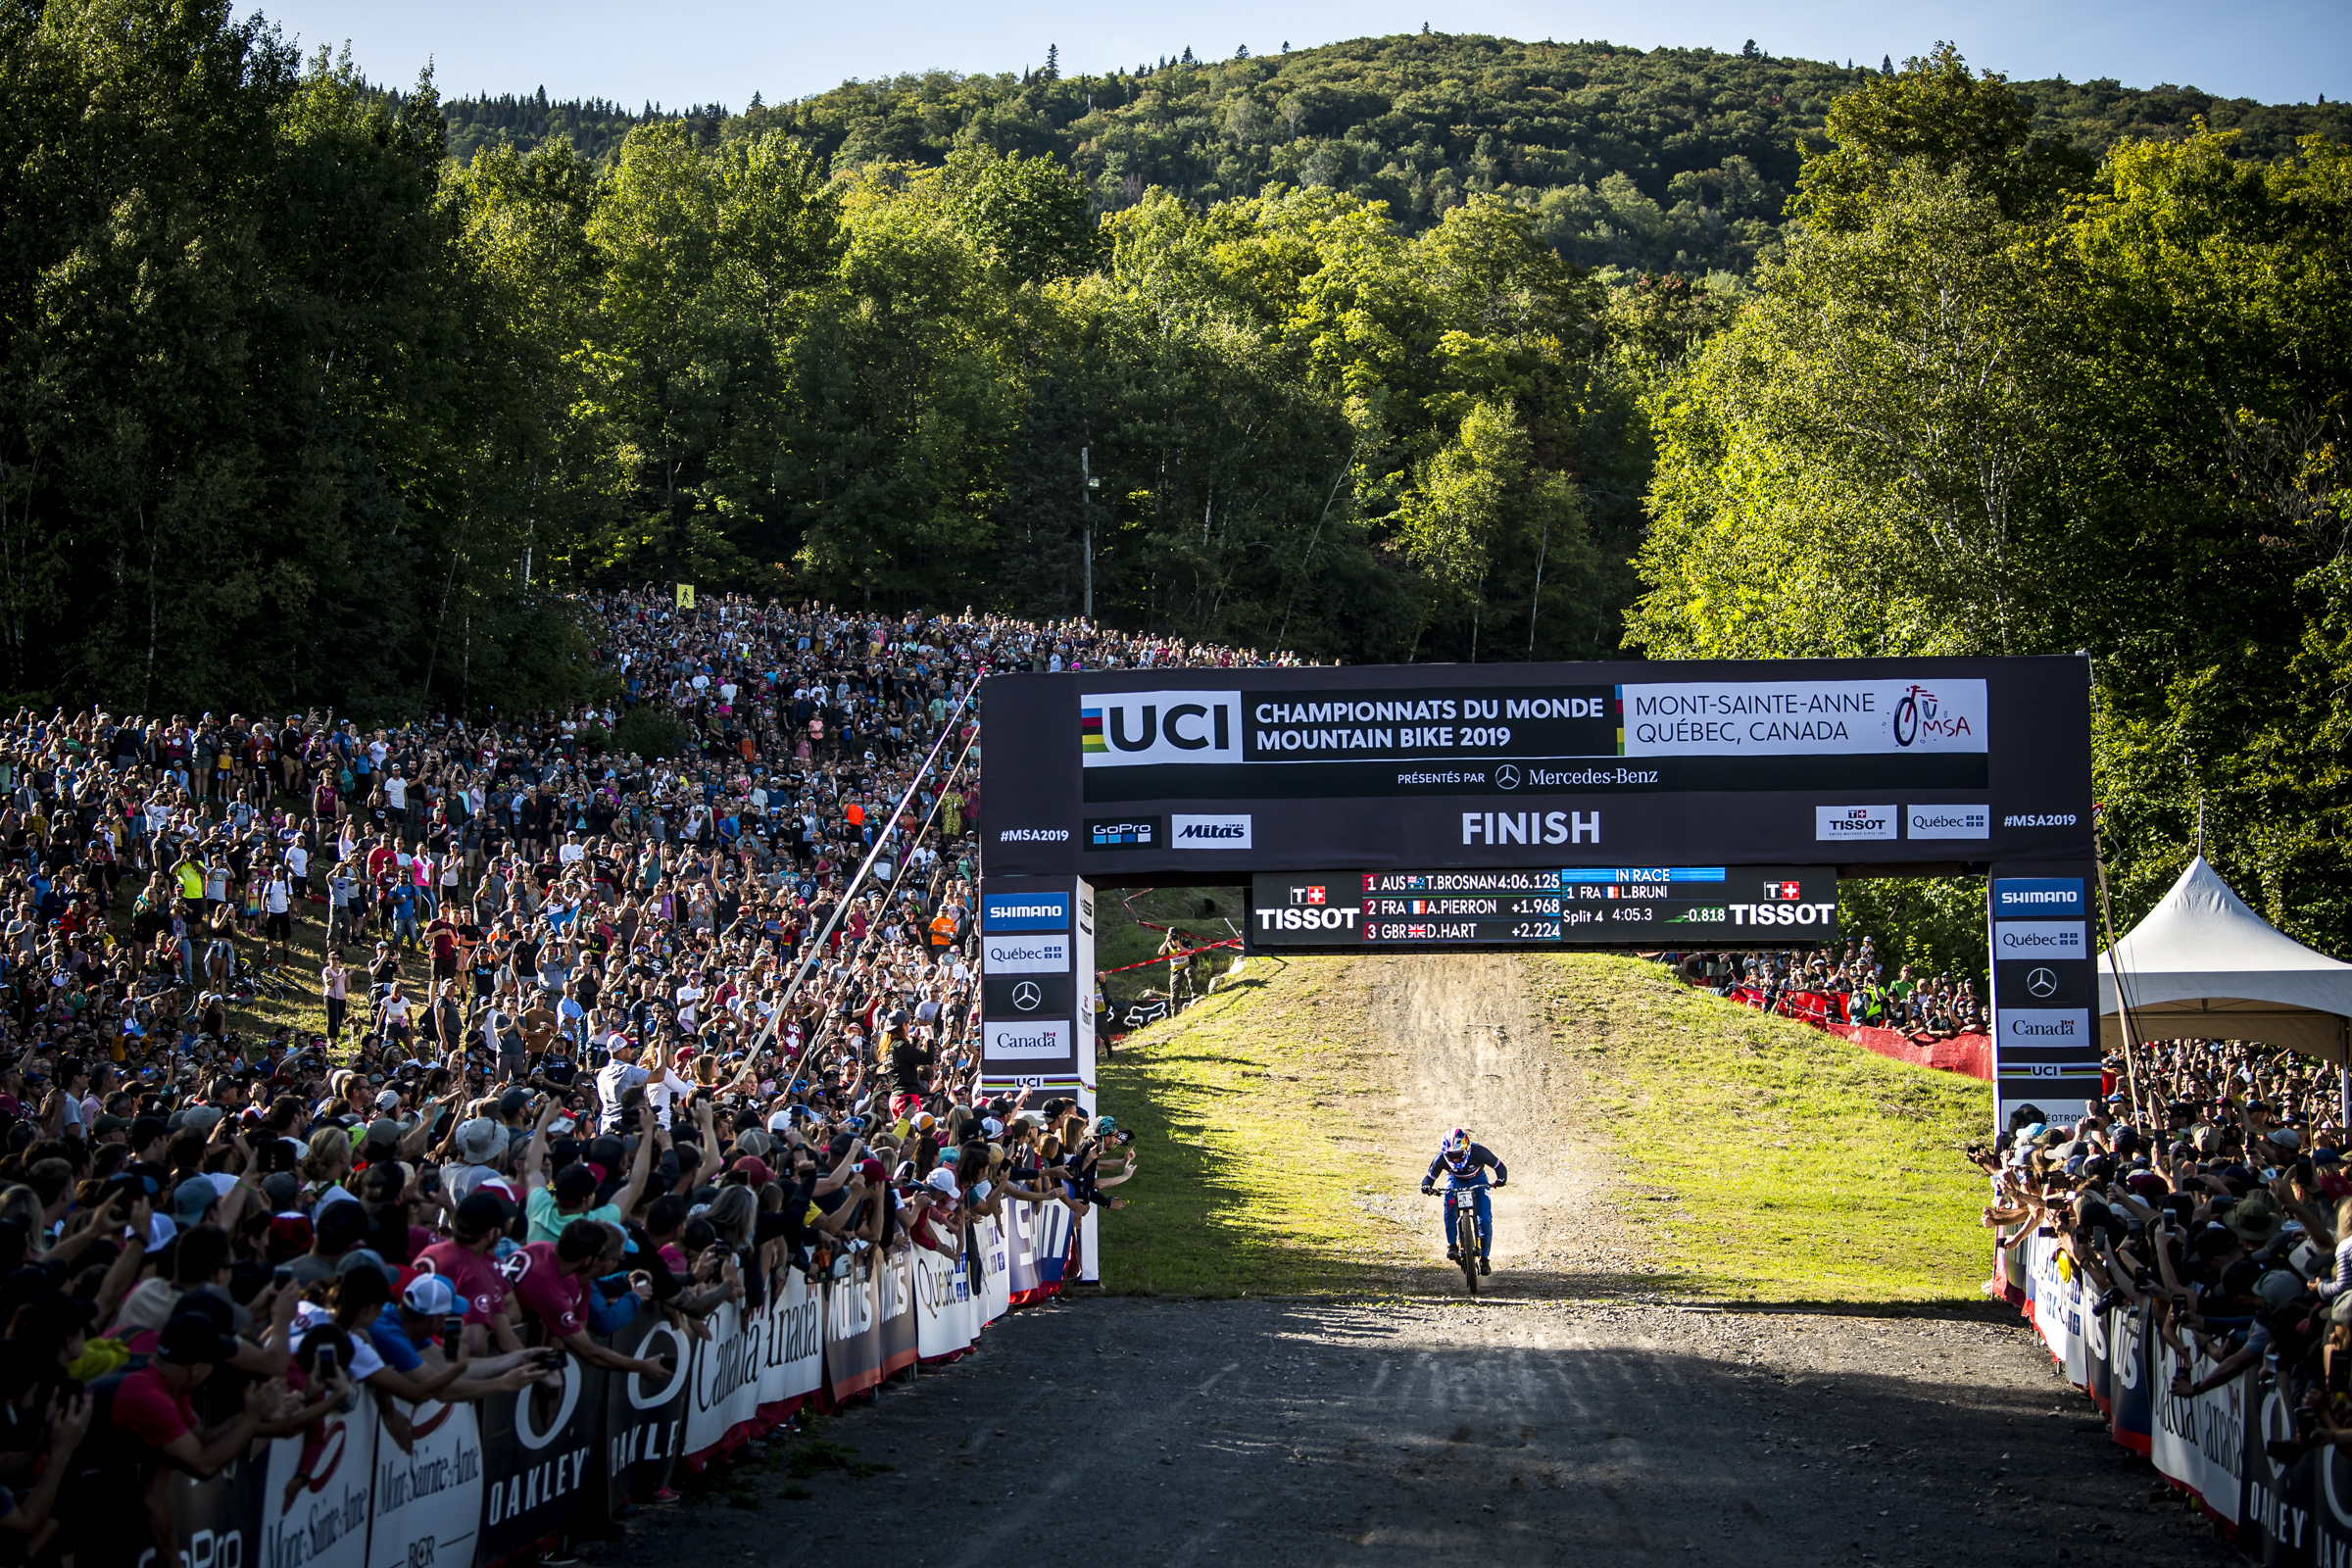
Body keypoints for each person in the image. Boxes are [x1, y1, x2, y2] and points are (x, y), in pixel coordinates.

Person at [1420, 1126, 1507, 1276]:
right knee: (1449, 1210)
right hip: (1455, 1180)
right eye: (1451, 1155)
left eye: (1458, 1154)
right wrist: (1426, 1186)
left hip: (1478, 1180)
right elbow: (1429, 1177)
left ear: (1466, 1149)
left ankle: (1485, 1258)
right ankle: (1452, 1245)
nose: (1455, 1158)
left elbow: (1499, 1166)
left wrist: (1501, 1179)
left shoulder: (1479, 1151)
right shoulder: (1440, 1158)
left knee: (1484, 1219)